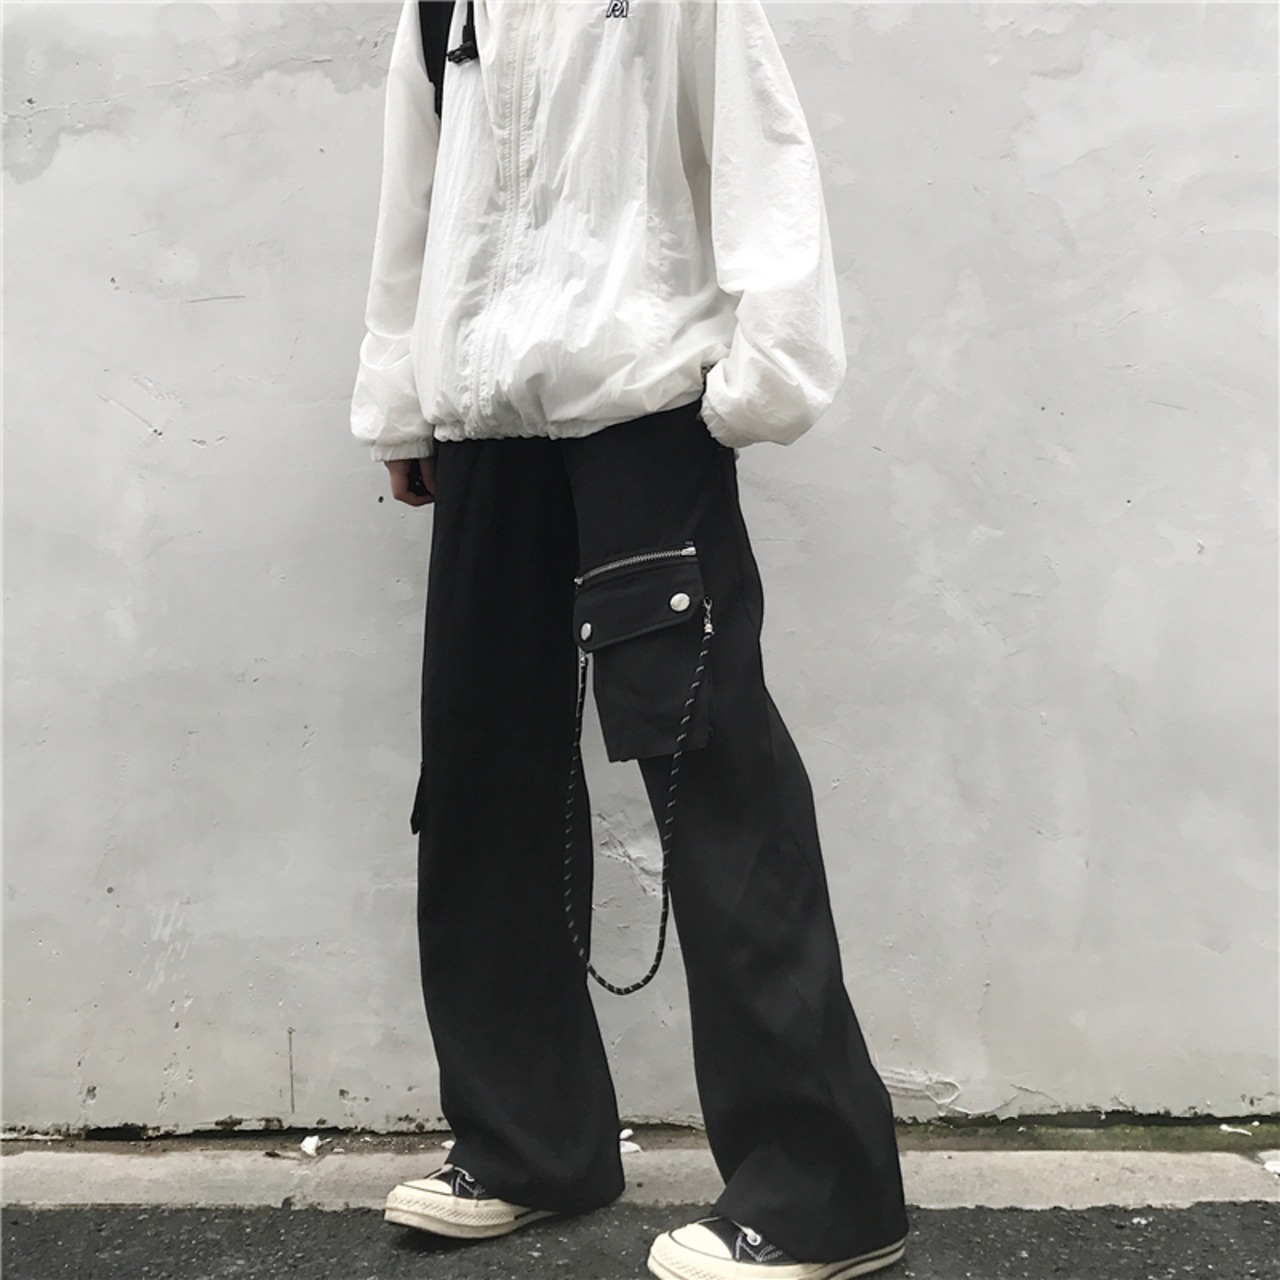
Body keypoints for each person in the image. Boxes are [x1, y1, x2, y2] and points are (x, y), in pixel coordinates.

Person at [349, 2, 910, 1276]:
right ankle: (526, 1143)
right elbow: (413, 192)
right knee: (482, 782)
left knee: (710, 773)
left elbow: (762, 155)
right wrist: (400, 397)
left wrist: (759, 381)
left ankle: (825, 1190)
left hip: (643, 411)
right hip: (486, 424)